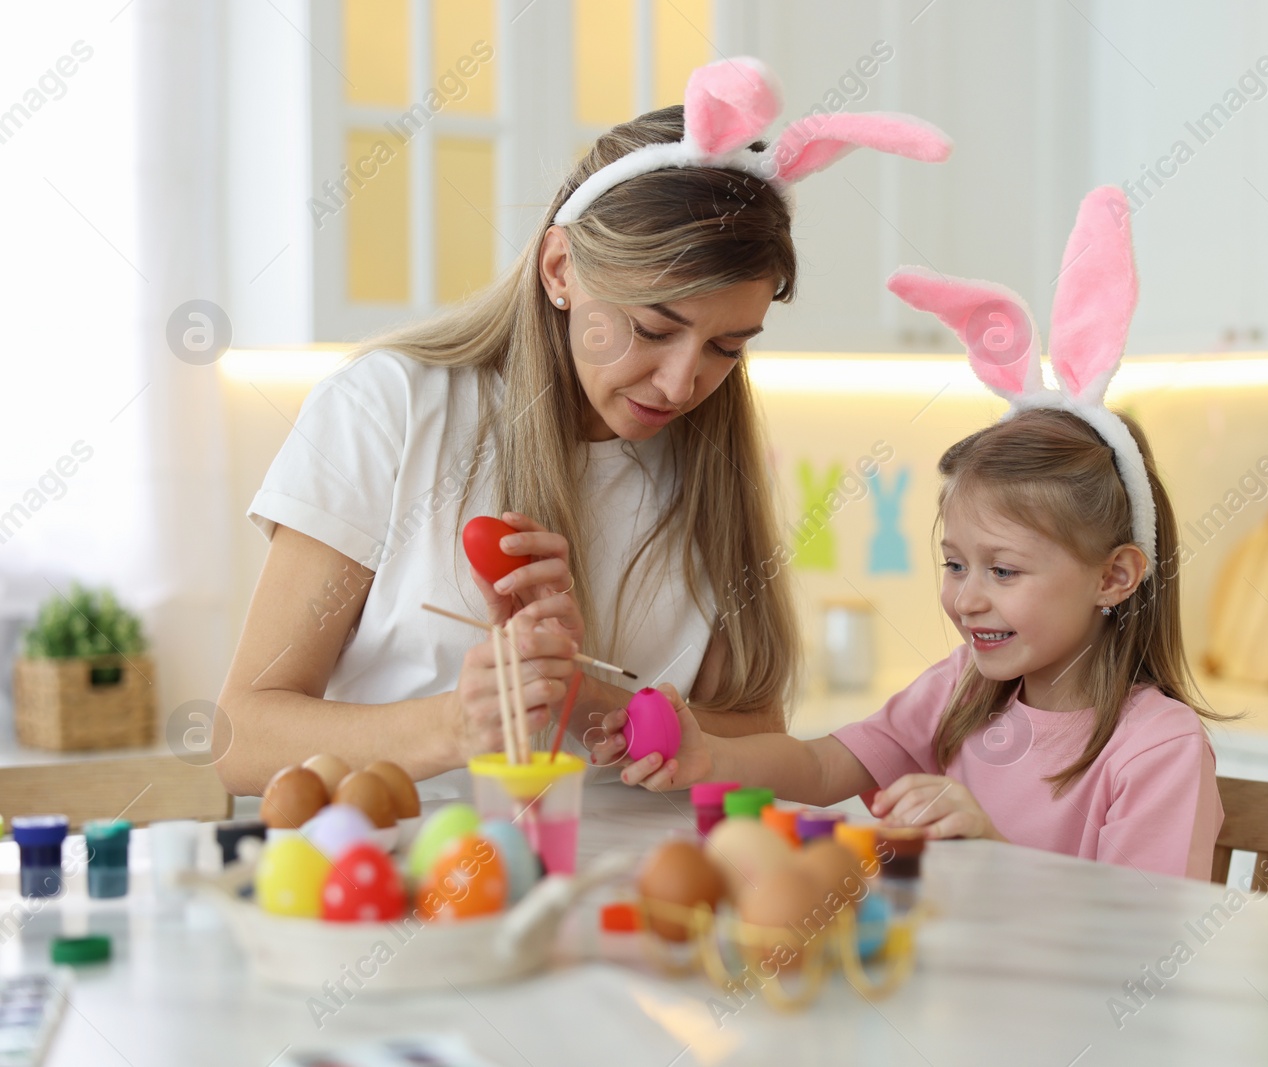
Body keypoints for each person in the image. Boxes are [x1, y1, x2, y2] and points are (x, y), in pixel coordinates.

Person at [213, 57, 951, 799]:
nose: (682, 383)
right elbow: (240, 737)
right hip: (403, 891)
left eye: (728, 346)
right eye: (652, 327)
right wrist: (455, 726)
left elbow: (754, 744)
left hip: (630, 900)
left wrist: (587, 695)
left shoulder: (706, 460)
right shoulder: (391, 409)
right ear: (561, 268)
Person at [596, 187, 1226, 879]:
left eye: (1004, 571)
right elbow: (821, 763)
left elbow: (1147, 939)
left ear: (1114, 575)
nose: (967, 598)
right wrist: (708, 755)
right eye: (956, 564)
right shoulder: (964, 691)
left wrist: (991, 857)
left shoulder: (1156, 747)